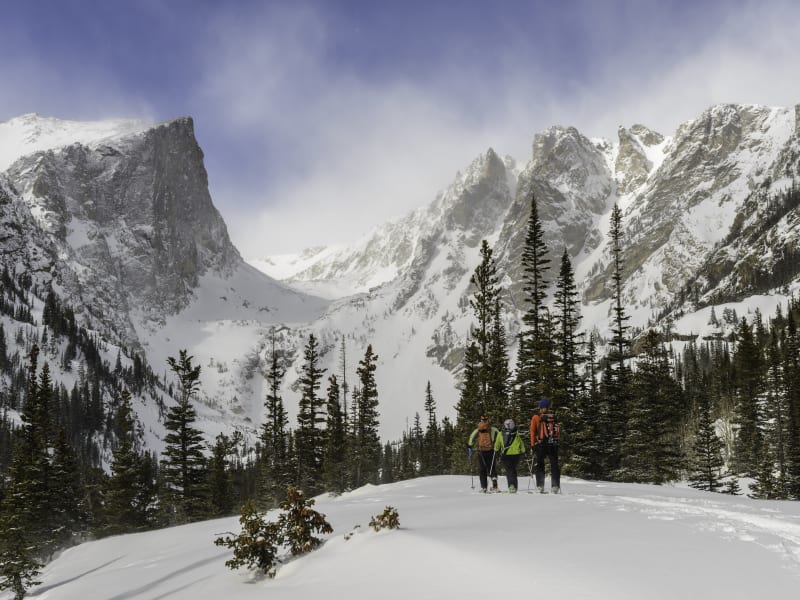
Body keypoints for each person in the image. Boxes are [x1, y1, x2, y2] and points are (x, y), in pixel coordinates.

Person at [529, 398, 561, 494]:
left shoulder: (536, 417)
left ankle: (540, 486)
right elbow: (557, 431)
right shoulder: (553, 416)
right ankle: (555, 486)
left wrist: (532, 444)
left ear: (540, 407)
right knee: (554, 465)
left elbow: (532, 431)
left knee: (540, 465)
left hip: (540, 444)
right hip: (553, 444)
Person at [467, 415, 500, 492]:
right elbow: (499, 436)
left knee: (482, 469)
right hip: (491, 450)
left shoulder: (478, 430)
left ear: (481, 420)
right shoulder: (493, 429)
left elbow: (471, 438)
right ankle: (495, 486)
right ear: (488, 420)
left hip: (481, 451)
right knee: (492, 468)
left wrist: (469, 446)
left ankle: (484, 487)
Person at [495, 418, 525, 493]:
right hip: (516, 455)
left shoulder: (500, 433)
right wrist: (523, 450)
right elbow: (521, 443)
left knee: (510, 470)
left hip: (506, 455)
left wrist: (496, 450)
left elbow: (497, 444)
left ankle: (512, 486)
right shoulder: (516, 433)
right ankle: (514, 486)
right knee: (512, 470)